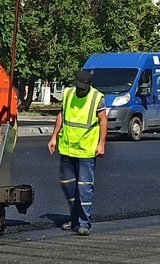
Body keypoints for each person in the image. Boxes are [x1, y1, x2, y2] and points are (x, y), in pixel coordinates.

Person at [47, 70, 107, 236]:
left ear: (89, 85)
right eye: (78, 87)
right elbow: (62, 115)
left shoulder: (97, 98)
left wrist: (101, 144)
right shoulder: (67, 94)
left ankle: (84, 223)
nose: (80, 91)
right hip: (67, 147)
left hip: (86, 150)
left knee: (84, 187)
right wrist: (54, 137)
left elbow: (103, 121)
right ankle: (74, 218)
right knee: (68, 185)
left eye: (83, 88)